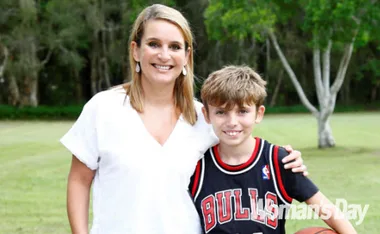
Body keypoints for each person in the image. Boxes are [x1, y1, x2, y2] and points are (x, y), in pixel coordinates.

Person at [60, 4, 308, 234]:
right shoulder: (104, 108)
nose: (164, 55)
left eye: (175, 47)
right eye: (154, 44)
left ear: (187, 56)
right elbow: (79, 182)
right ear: (135, 50)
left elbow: (246, 157)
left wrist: (285, 161)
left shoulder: (205, 118)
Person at [189, 65, 357, 234]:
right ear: (207, 114)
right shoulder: (196, 167)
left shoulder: (279, 161)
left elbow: (329, 211)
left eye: (242, 111)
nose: (232, 121)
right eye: (221, 112)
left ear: (259, 114)